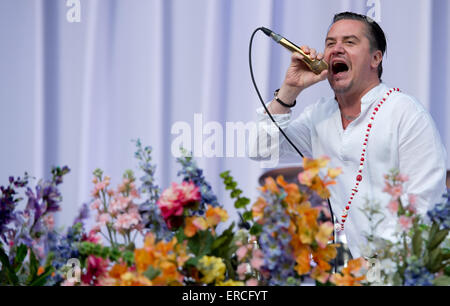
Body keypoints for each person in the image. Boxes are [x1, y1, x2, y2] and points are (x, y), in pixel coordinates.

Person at [250, 12, 447, 258]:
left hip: (405, 268)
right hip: (351, 272)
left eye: (349, 42)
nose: (336, 50)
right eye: (330, 43)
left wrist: (379, 268)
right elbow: (260, 149)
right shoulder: (320, 115)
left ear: (376, 58)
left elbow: (425, 208)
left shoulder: (405, 113)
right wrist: (290, 90)